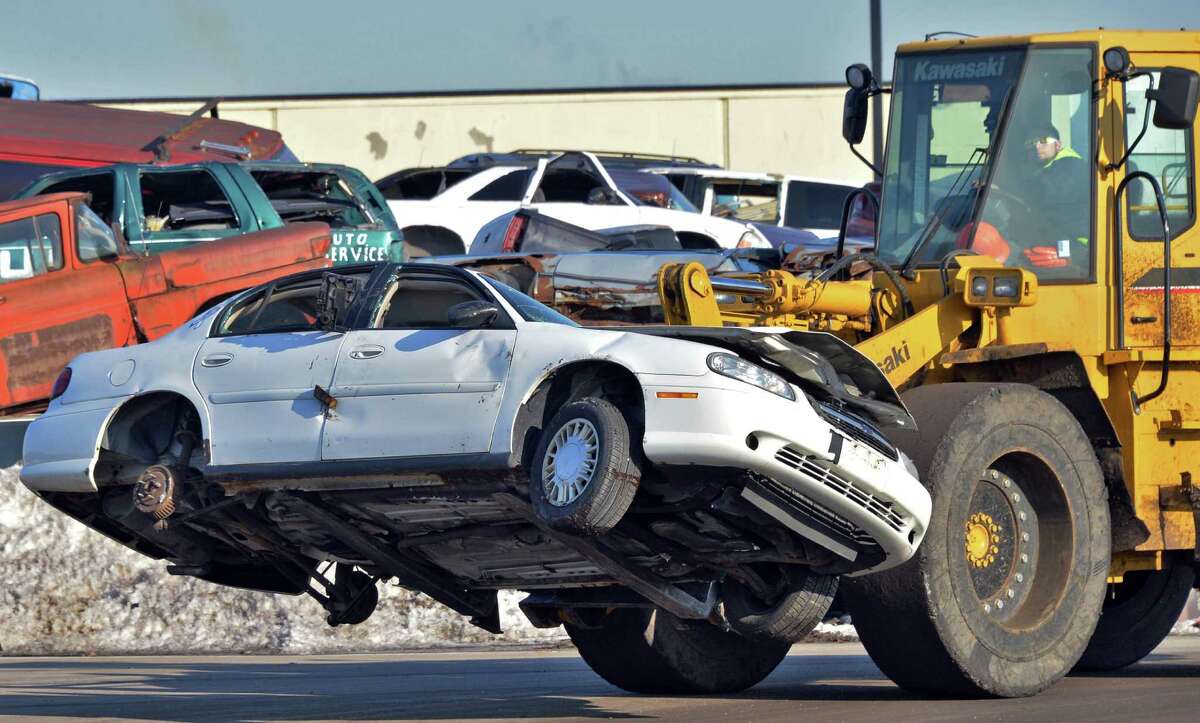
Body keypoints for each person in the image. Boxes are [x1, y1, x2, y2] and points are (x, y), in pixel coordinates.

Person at [1018, 124, 1088, 270]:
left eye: (1043, 140)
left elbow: (1046, 193)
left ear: (1058, 144)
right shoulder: (1049, 168)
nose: (1037, 146)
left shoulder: (1070, 166)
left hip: (1076, 245)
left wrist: (1009, 186)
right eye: (1032, 143)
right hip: (1061, 237)